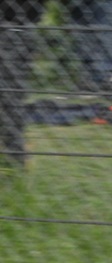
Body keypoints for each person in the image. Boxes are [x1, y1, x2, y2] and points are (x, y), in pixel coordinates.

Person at [1, 1, 45, 169]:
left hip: (16, 28)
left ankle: (15, 158)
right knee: (11, 98)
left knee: (10, 98)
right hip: (18, 27)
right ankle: (15, 157)